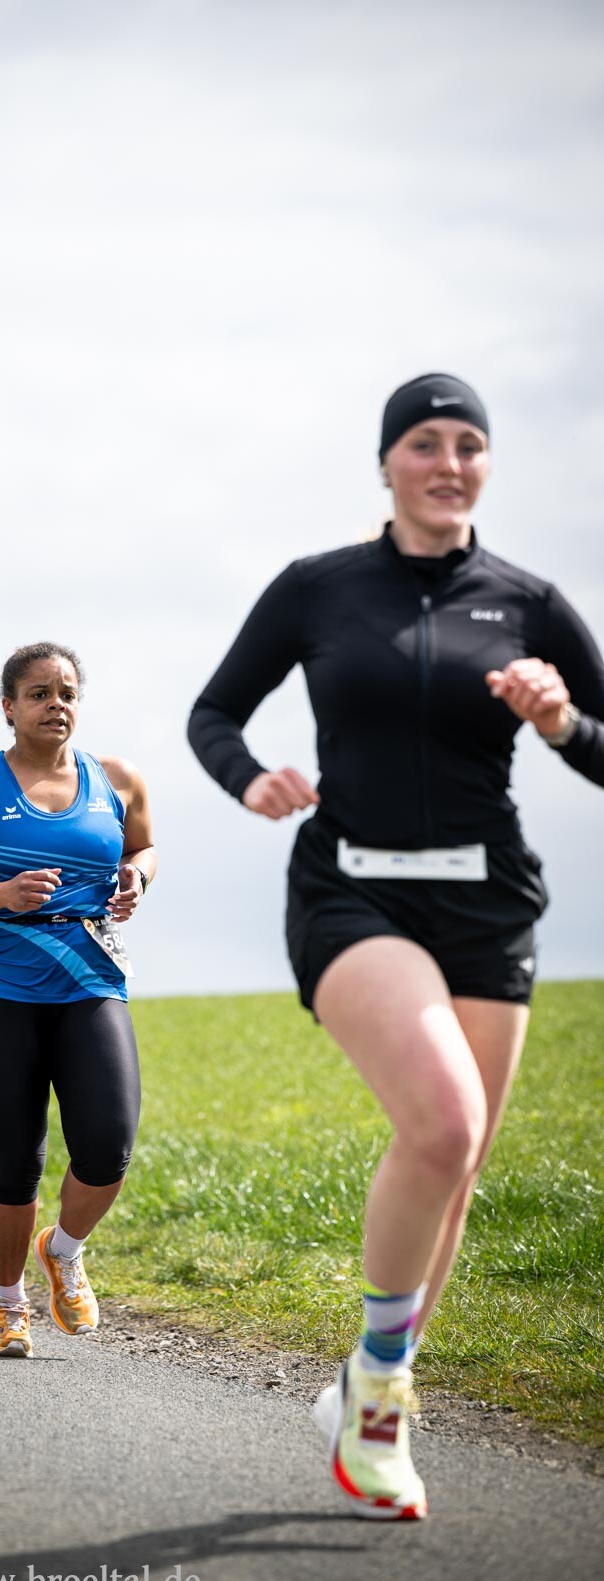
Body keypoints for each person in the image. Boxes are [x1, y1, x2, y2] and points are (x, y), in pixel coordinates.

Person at [187, 373, 604, 1519]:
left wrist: (560, 721)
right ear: (385, 462)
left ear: (485, 464)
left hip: (488, 904)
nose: (447, 462)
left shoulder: (527, 601)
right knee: (445, 1122)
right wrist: (248, 778)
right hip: (350, 891)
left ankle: (368, 1381)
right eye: (423, 442)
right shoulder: (317, 587)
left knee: (451, 1167)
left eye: (467, 443)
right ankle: (377, 1398)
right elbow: (211, 713)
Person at [0, 643, 155, 1357]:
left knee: (108, 1146)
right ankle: (6, 1303)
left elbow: (142, 849)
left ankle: (64, 1251)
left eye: (66, 692)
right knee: (15, 1164)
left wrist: (138, 877)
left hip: (90, 982)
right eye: (39, 693)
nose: (56, 705)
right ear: (9, 707)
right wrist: (1, 895)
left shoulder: (117, 780)